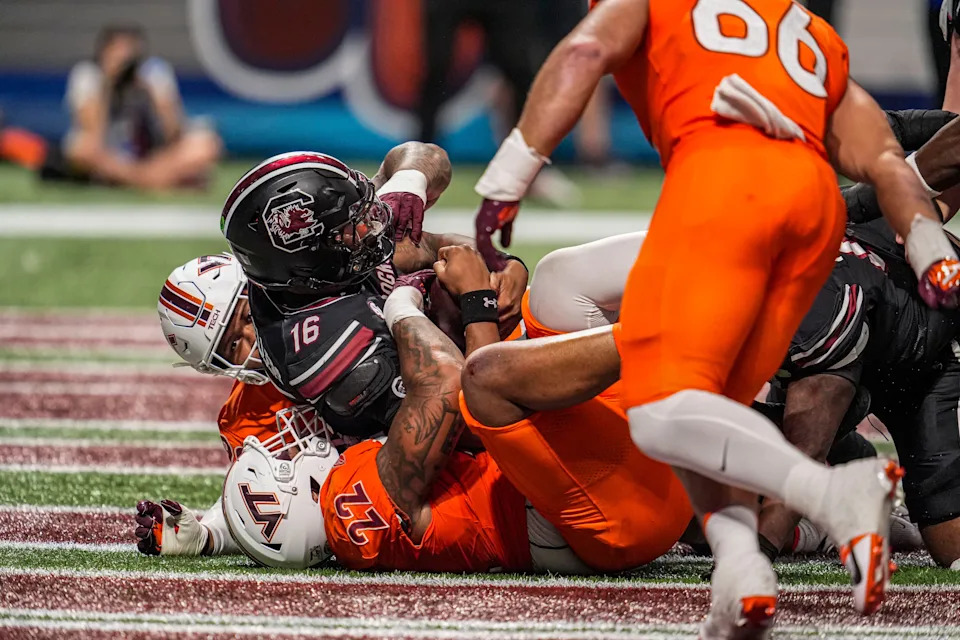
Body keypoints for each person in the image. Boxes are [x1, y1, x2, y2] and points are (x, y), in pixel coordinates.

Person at [461, 0, 960, 635]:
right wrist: (928, 248)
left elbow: (583, 53)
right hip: (815, 219)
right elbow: (886, 161)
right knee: (707, 409)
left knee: (660, 412)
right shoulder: (808, 31)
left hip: (729, 192)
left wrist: (509, 175)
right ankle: (739, 570)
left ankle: (830, 493)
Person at [223, 241, 693, 573]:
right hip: (597, 517)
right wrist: (409, 299)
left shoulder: (349, 512)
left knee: (558, 284)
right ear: (295, 493)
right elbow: (455, 387)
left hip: (589, 484)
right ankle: (703, 330)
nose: (289, 446)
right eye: (282, 461)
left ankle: (729, 258)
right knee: (486, 380)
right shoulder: (348, 504)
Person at [758, 109, 960, 570]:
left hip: (926, 354)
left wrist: (752, 555)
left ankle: (846, 502)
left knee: (954, 548)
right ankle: (852, 493)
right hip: (876, 314)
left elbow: (803, 454)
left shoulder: (818, 306)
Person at [220, 145, 529, 440]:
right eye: (351, 227)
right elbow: (475, 423)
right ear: (311, 261)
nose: (370, 226)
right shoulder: (328, 349)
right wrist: (477, 302)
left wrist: (410, 182)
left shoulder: (326, 260)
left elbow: (426, 159)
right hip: (493, 428)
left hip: (493, 363)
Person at [56, 24, 220, 189]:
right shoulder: (88, 74)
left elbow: (173, 133)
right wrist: (107, 84)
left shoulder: (153, 73)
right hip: (111, 157)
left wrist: (155, 95)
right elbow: (92, 134)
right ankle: (155, 181)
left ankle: (134, 180)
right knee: (79, 149)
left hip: (154, 157)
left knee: (205, 144)